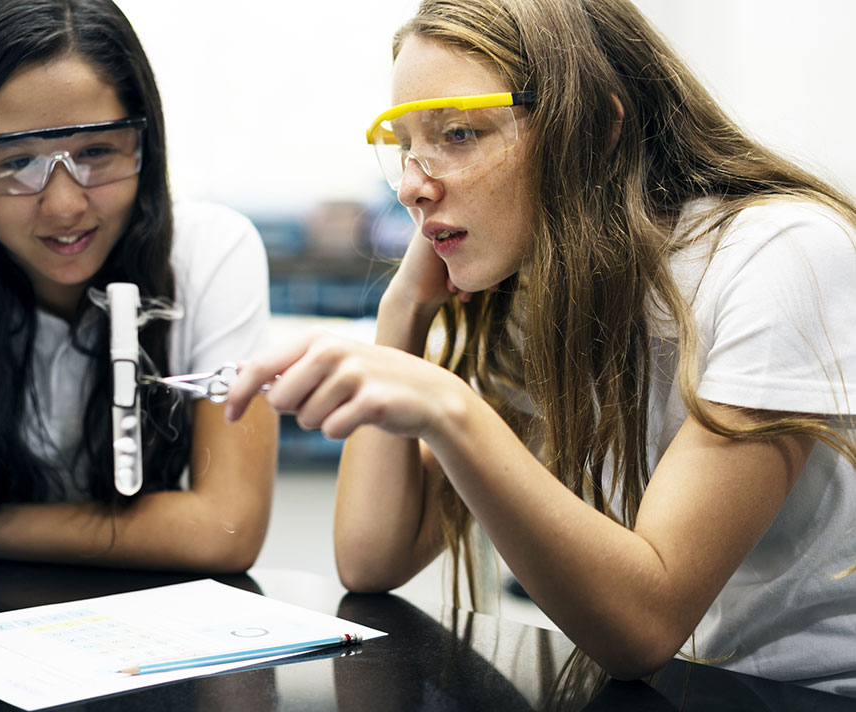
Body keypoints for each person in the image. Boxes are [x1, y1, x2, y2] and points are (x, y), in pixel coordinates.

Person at [226, 0, 856, 693]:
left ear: (598, 130)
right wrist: (399, 310)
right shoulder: (544, 289)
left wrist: (449, 406)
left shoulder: (779, 256)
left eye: (459, 134)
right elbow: (372, 559)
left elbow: (646, 623)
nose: (411, 185)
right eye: (404, 144)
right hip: (695, 687)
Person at [0, 0, 278, 572]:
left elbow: (225, 529)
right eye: (17, 162)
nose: (63, 205)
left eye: (96, 152)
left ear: (144, 144)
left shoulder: (210, 251)